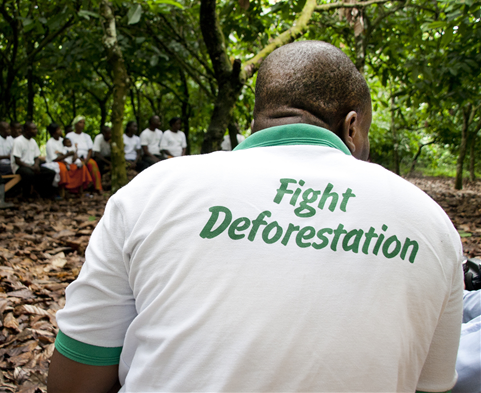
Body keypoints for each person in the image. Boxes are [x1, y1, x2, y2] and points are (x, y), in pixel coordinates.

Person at [48, 41, 463, 392]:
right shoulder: (430, 224)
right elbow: (431, 386)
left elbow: (75, 377)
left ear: (258, 113)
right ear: (352, 126)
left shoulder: (151, 190)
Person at [11, 121, 56, 198]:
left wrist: (36, 165)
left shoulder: (33, 141)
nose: (36, 131)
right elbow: (17, 160)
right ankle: (26, 196)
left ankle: (44, 195)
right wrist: (31, 167)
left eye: (36, 129)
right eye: (33, 129)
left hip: (31, 166)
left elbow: (36, 157)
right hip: (20, 167)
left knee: (50, 173)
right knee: (29, 174)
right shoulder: (18, 141)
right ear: (26, 130)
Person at [46, 123, 92, 194]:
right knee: (63, 169)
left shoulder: (63, 140)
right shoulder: (50, 143)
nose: (60, 131)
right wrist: (67, 155)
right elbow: (54, 158)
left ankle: (79, 190)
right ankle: (62, 191)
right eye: (58, 129)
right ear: (54, 132)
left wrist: (74, 155)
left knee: (81, 167)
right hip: (57, 162)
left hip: (69, 160)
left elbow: (72, 149)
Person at [66, 116, 102, 192]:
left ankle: (98, 188)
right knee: (79, 166)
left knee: (93, 165)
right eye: (80, 122)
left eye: (83, 123)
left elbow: (90, 150)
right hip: (74, 158)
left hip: (86, 158)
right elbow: (67, 148)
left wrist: (86, 160)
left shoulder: (86, 136)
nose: (82, 124)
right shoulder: (69, 135)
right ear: (75, 124)